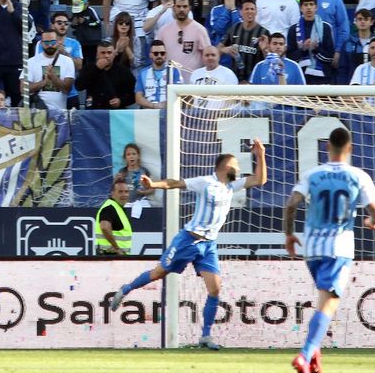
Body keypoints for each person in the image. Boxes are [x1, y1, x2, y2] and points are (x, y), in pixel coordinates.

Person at [110, 139, 267, 350]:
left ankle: (205, 336)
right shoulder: (205, 182)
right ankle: (126, 289)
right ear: (226, 168)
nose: (238, 170)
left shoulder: (231, 186)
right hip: (188, 241)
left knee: (215, 289)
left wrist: (260, 154)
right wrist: (154, 185)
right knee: (158, 273)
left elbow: (260, 179)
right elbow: (175, 183)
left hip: (208, 245)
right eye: (236, 166)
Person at [284, 127, 375, 373]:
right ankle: (305, 355)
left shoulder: (312, 174)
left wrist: (289, 234)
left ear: (327, 147)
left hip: (312, 248)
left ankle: (314, 352)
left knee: (324, 300)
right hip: (338, 247)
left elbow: (291, 204)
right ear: (350, 148)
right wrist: (372, 222)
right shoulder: (358, 176)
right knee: (329, 304)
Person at [157, 0, 210, 80]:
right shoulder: (163, 31)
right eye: (178, 6)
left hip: (193, 82)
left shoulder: (200, 30)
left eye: (185, 6)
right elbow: (156, 54)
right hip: (169, 81)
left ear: (189, 8)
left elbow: (208, 55)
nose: (182, 9)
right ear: (174, 8)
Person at [286, 0, 336, 84]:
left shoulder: (326, 28)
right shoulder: (293, 29)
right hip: (300, 76)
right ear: (301, 8)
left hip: (322, 77)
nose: (309, 7)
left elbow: (330, 57)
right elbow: (290, 58)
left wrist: (316, 49)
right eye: (305, 5)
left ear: (316, 7)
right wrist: (303, 49)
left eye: (311, 4)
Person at [76, 39, 135, 110]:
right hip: (94, 111)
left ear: (113, 54)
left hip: (115, 112)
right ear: (97, 55)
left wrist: (121, 101)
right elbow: (79, 86)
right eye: (103, 53)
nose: (106, 56)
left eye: (109, 53)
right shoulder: (89, 67)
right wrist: (96, 68)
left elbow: (134, 93)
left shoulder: (123, 70)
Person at [26, 29, 74, 112]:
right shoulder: (31, 62)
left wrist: (54, 78)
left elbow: (67, 90)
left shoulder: (67, 61)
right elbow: (23, 89)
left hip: (59, 112)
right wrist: (44, 82)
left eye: (53, 42)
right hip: (36, 112)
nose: (50, 45)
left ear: (58, 42)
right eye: (46, 43)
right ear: (41, 43)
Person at [220, 0, 267, 83]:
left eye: (252, 9)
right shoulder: (234, 28)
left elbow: (269, 59)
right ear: (240, 12)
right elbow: (217, 49)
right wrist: (225, 49)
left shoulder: (264, 32)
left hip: (255, 80)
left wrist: (264, 50)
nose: (250, 11)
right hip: (235, 78)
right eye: (246, 9)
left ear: (256, 12)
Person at [134, 39, 182, 109]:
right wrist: (154, 106)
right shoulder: (143, 73)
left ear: (165, 54)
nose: (159, 56)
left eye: (162, 53)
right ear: (150, 55)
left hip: (168, 110)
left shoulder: (174, 71)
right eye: (156, 53)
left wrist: (166, 105)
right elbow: (138, 98)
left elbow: (179, 95)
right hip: (148, 111)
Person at [95, 179, 132, 255]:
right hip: (110, 255)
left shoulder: (116, 207)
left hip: (115, 255)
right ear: (112, 193)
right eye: (120, 192)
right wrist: (116, 248)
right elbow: (104, 227)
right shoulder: (110, 208)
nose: (124, 195)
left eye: (126, 192)